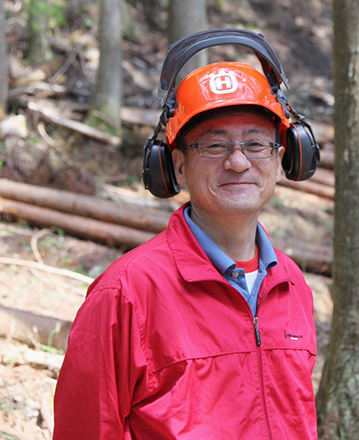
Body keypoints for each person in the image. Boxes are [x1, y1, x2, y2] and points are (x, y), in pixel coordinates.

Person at [53, 29, 319, 439]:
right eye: (213, 146)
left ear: (284, 158)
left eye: (255, 144)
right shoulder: (126, 293)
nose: (237, 162)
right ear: (176, 166)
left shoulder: (292, 285)